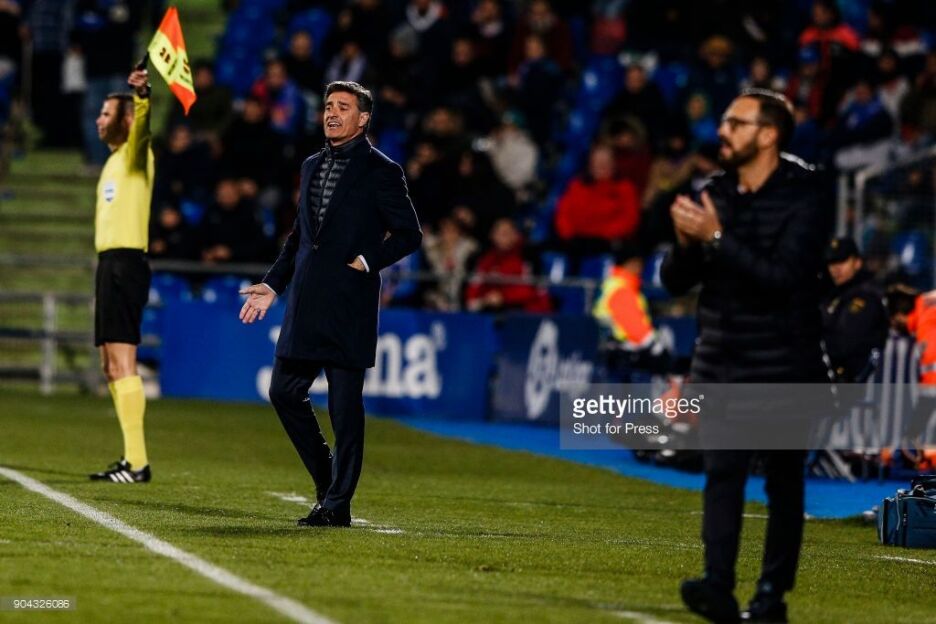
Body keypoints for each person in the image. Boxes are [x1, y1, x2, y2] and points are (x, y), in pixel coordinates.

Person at [661, 89, 831, 623]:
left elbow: (783, 278)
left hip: (785, 363)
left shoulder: (807, 193)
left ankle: (770, 596)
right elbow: (674, 282)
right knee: (722, 475)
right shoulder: (715, 191)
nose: (723, 131)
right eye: (725, 121)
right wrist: (687, 244)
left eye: (736, 122)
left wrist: (715, 236)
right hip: (723, 360)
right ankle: (717, 585)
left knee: (784, 483)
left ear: (769, 134)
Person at [238, 81, 422, 527]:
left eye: (343, 107)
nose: (332, 113)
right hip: (305, 300)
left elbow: (408, 233)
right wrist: (273, 284)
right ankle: (328, 481)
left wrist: (367, 260)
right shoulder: (311, 165)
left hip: (348, 304)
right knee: (283, 392)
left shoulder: (382, 170)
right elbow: (300, 236)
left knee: (344, 410)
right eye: (328, 106)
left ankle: (337, 506)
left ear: (363, 119)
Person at [88, 68, 155, 484]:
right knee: (110, 365)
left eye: (106, 112)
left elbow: (143, 130)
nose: (99, 119)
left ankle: (138, 463)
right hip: (109, 264)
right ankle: (131, 458)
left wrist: (143, 96)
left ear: (126, 119)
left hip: (126, 264)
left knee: (123, 361)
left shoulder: (136, 154)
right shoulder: (114, 160)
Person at [820, 237, 888, 382]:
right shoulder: (832, 294)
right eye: (832, 263)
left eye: (842, 261)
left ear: (857, 263)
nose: (836, 268)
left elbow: (845, 343)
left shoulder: (866, 296)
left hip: (857, 380)